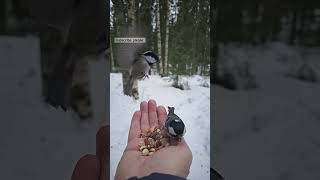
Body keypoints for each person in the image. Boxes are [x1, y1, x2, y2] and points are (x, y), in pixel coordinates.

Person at [71, 100, 192, 180]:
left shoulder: (181, 130)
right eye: (174, 135)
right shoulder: (168, 124)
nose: (178, 138)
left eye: (179, 136)